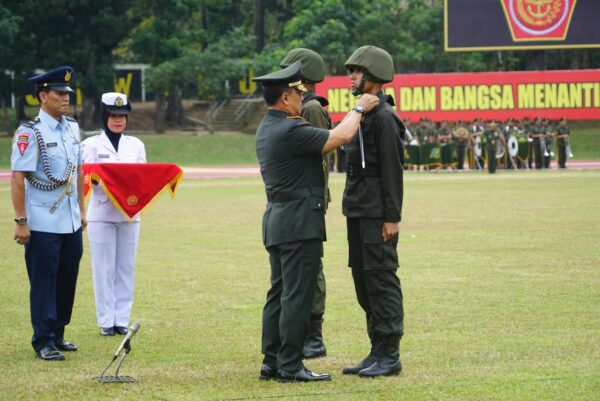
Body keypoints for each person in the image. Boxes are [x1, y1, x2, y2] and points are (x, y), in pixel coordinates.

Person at [254, 61, 379, 383]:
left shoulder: (268, 126)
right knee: (297, 295)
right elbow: (342, 135)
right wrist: (359, 107)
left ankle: (272, 361)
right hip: (298, 223)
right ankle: (291, 365)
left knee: (279, 293)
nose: (303, 96)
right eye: (298, 92)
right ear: (285, 98)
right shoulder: (291, 129)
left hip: (278, 221)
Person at [11, 66, 85, 361]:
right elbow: (18, 177)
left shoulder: (72, 128)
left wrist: (82, 208)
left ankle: (58, 333)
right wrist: (20, 221)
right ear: (43, 96)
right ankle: (42, 339)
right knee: (44, 281)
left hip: (70, 220)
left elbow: (77, 172)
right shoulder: (30, 133)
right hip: (42, 222)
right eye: (59, 93)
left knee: (67, 278)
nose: (66, 97)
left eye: (67, 93)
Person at [342, 46, 405, 378]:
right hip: (358, 209)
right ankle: (376, 348)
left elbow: (393, 171)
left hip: (377, 213)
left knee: (381, 278)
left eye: (356, 71)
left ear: (373, 75)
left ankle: (390, 353)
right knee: (363, 280)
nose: (350, 76)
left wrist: (392, 217)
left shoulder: (384, 118)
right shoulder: (363, 112)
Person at [280, 48, 331, 359]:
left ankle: (314, 335)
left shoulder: (310, 108)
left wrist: (314, 199)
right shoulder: (296, 105)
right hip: (298, 198)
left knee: (312, 266)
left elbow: (321, 154)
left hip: (308, 199)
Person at [81, 93, 146, 336]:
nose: (118, 120)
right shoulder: (90, 145)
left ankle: (122, 319)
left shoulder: (136, 145)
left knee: (126, 268)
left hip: (130, 214)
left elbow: (142, 179)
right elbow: (85, 178)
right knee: (103, 269)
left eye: (122, 116)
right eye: (113, 115)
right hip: (102, 213)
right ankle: (106, 321)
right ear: (105, 116)